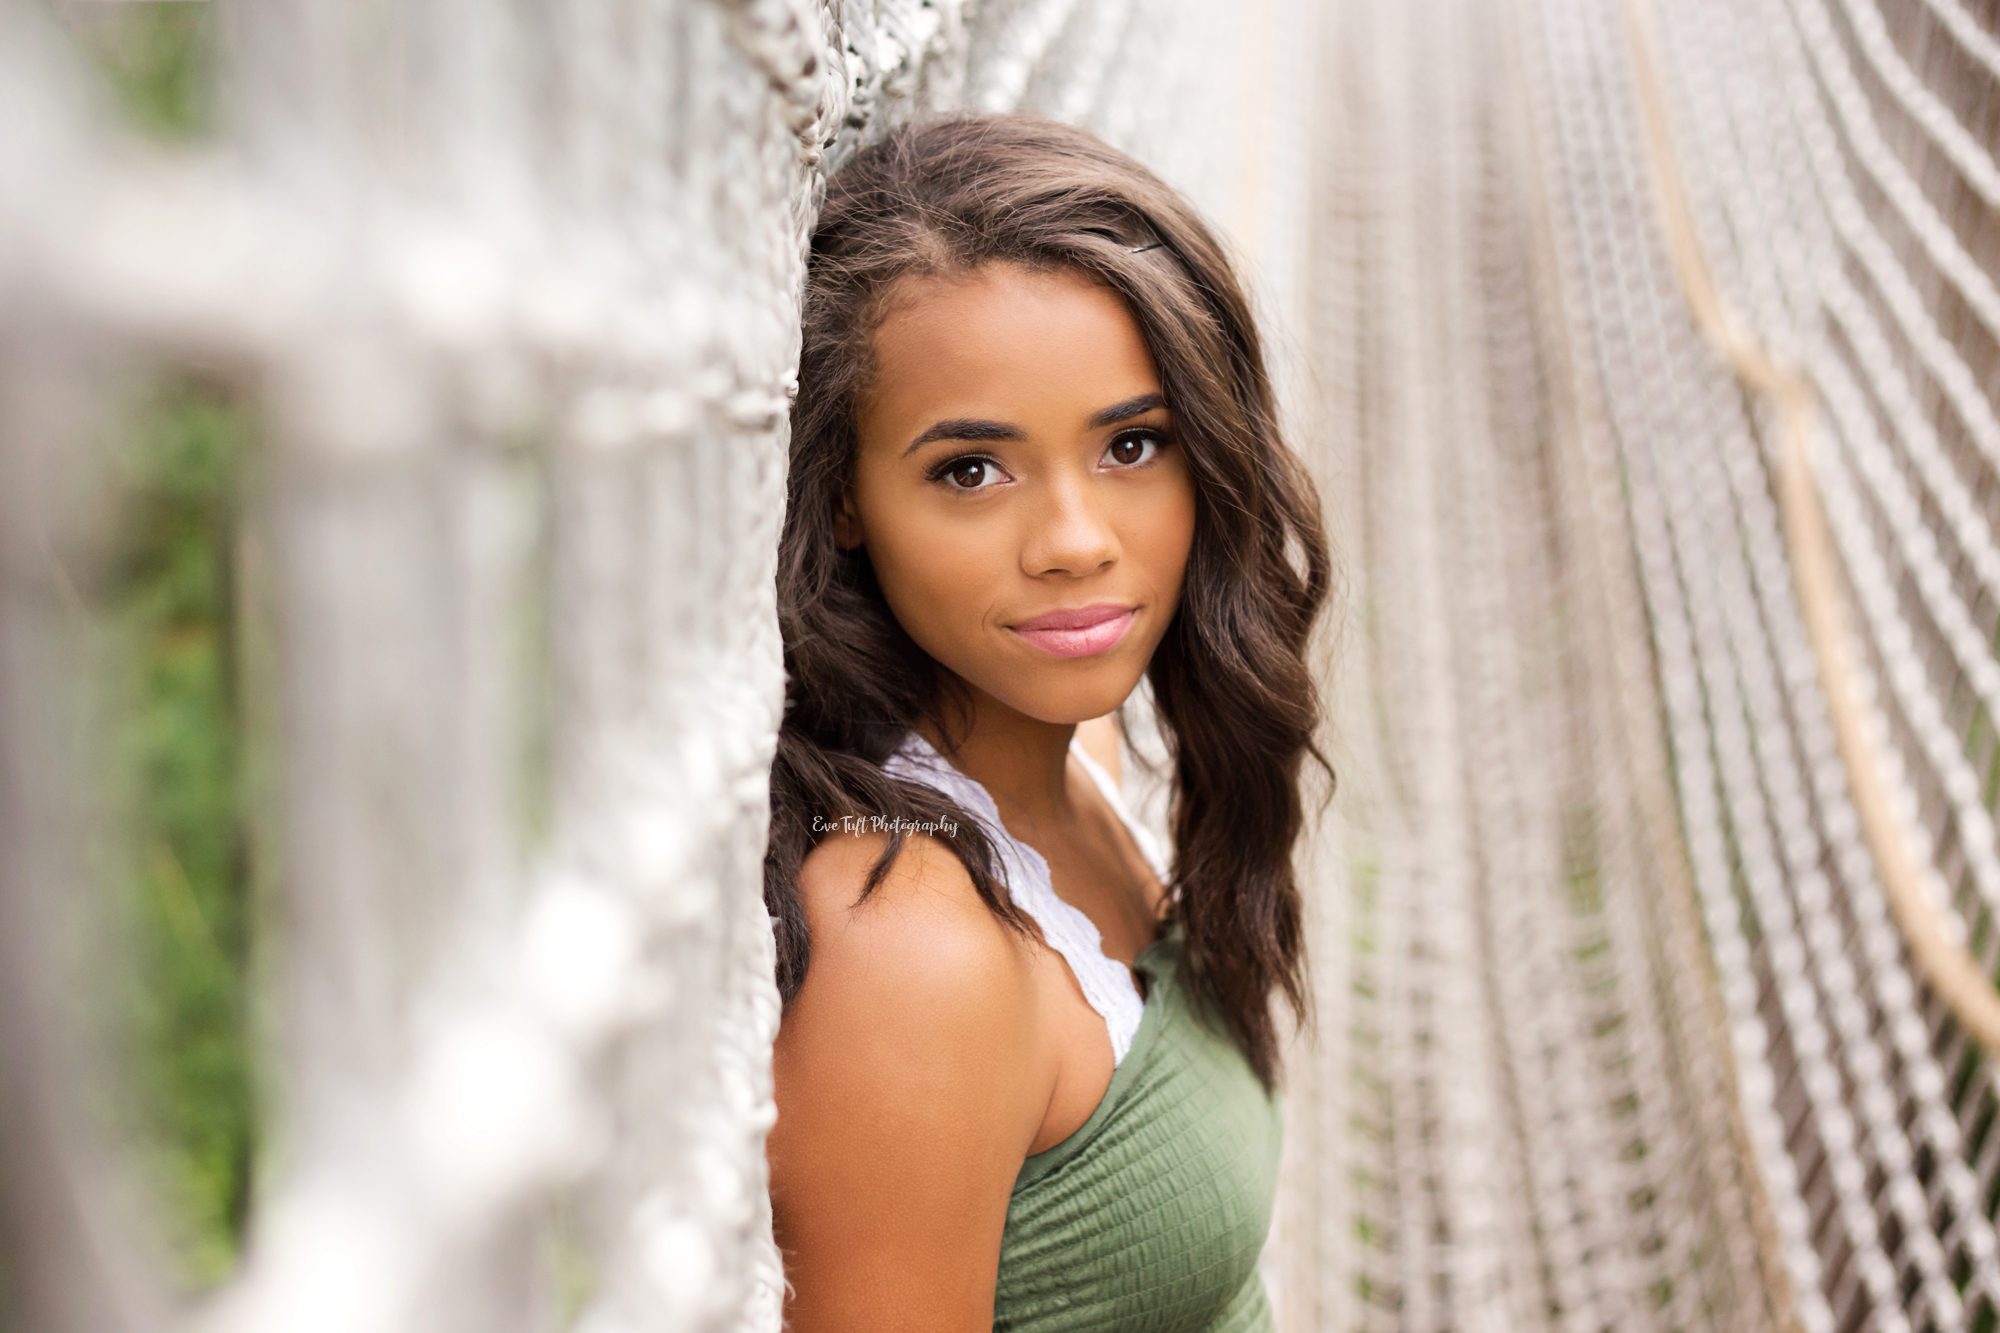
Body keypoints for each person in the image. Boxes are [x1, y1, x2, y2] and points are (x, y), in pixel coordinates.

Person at [762, 110, 1335, 1331]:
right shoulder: (909, 948)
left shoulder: (1077, 750)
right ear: (847, 497)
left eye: (1132, 444)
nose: (1076, 542)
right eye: (970, 470)